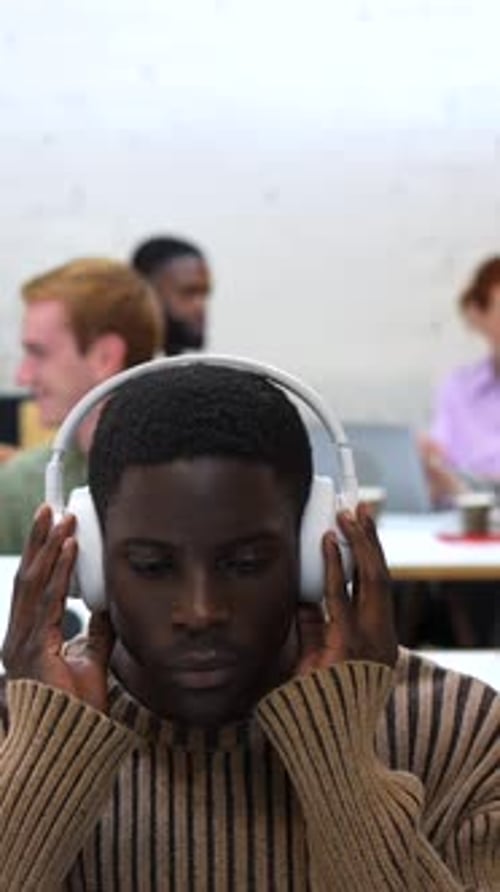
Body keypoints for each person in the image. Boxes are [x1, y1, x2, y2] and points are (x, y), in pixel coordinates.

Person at [1, 364, 498, 890]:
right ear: (90, 567)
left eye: (245, 564)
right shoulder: (18, 734)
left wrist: (340, 761)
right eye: (152, 566)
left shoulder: (459, 736)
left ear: (316, 554)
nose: (200, 610)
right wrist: (45, 763)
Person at [0, 258, 163, 554]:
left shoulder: (188, 482)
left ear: (104, 357)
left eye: (38, 352)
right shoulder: (20, 485)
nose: (22, 376)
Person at [421, 256, 500, 504]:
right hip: (469, 526)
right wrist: (429, 466)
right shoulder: (457, 389)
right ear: (477, 314)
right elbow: (440, 477)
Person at [131, 236, 211, 354]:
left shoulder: (187, 369)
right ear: (147, 292)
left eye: (204, 294)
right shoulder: (110, 367)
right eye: (189, 292)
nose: (200, 306)